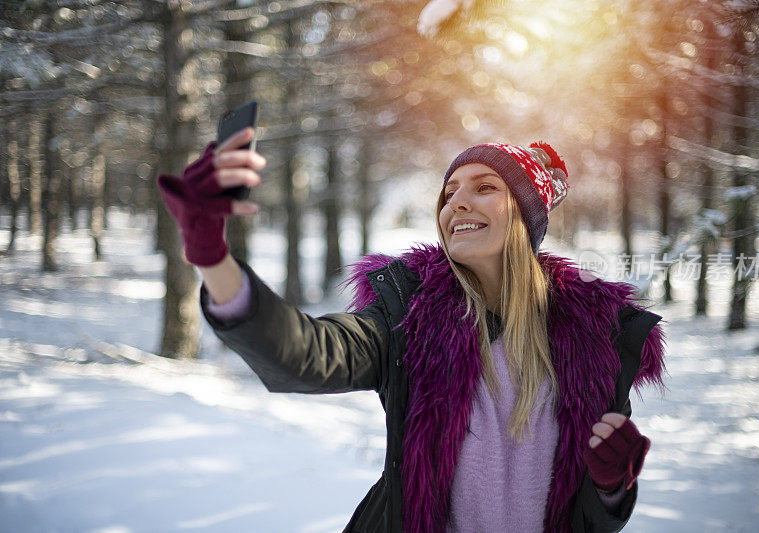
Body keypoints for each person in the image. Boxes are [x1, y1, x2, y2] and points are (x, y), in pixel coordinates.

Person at [157, 127, 667, 533]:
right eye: (448, 194)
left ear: (526, 214)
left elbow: (591, 521)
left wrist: (611, 488)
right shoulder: (409, 315)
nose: (456, 204)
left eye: (485, 187)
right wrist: (213, 259)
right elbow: (309, 353)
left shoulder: (597, 340)